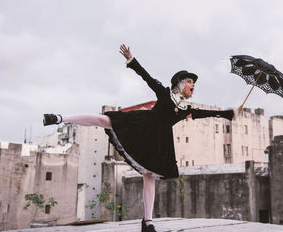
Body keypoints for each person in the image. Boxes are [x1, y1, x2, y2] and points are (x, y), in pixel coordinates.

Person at [43, 44, 234, 232]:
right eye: (191, 82)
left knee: (149, 177)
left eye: (194, 83)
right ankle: (59, 118)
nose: (193, 86)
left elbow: (206, 113)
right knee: (104, 119)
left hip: (159, 142)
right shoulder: (164, 93)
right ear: (181, 83)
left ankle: (148, 222)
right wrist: (132, 60)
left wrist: (228, 113)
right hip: (142, 125)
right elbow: (147, 77)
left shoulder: (186, 109)